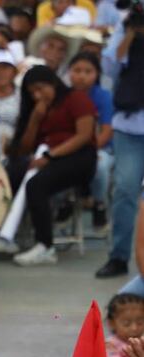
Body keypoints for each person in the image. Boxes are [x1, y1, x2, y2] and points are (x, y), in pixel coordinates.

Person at [4, 66, 97, 266]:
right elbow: (24, 147)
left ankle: (45, 245)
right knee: (11, 172)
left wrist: (51, 155)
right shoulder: (40, 109)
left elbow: (84, 136)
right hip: (46, 156)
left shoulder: (76, 99)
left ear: (52, 83)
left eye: (40, 89)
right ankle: (4, 233)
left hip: (79, 157)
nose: (37, 95)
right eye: (32, 93)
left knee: (36, 185)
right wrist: (35, 120)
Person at [96, 17, 144, 279]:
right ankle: (119, 256)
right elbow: (110, 66)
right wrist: (130, 34)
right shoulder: (127, 26)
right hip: (131, 127)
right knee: (125, 189)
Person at [68, 52, 113, 229]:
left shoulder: (104, 96)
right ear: (69, 72)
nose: (82, 76)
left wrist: (90, 150)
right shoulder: (64, 96)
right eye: (77, 70)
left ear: (97, 74)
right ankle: (66, 201)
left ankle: (99, 203)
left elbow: (107, 131)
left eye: (88, 71)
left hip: (100, 149)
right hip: (70, 148)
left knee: (100, 166)